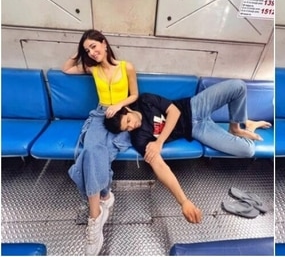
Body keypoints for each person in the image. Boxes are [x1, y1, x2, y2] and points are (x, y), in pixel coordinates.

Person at [103, 79, 271, 223]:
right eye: (127, 128)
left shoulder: (145, 100)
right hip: (197, 128)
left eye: (129, 121)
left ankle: (235, 127)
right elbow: (159, 167)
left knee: (238, 86)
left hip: (194, 106)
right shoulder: (138, 138)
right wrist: (183, 202)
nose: (132, 126)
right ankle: (244, 127)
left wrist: (159, 142)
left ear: (128, 110)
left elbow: (174, 112)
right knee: (248, 149)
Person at [62, 29, 138, 255]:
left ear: (104, 44)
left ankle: (100, 204)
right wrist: (78, 53)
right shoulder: (91, 68)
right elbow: (65, 68)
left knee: (98, 154)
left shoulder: (127, 66)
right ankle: (99, 208)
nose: (92, 52)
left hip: (122, 115)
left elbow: (135, 95)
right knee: (91, 150)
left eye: (94, 46)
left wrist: (119, 105)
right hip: (100, 115)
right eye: (88, 50)